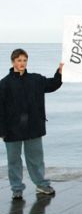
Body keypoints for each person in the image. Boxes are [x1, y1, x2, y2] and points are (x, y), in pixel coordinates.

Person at [0, 49, 63, 200]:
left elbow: (53, 85)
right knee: (14, 161)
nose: (22, 63)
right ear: (13, 62)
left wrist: (59, 72)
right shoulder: (4, 84)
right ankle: (17, 189)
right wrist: (1, 131)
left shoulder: (36, 79)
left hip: (33, 127)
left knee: (35, 159)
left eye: (24, 60)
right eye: (19, 60)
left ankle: (41, 184)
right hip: (12, 130)